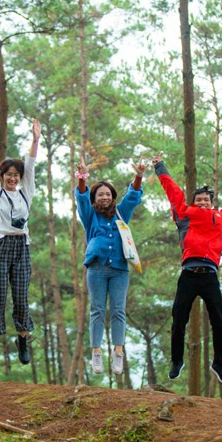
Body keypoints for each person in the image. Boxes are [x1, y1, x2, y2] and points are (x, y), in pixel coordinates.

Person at [152, 152, 222, 385]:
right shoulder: (184, 215)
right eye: (199, 200)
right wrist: (160, 167)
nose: (203, 202)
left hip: (210, 276)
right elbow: (173, 192)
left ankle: (219, 364)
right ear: (194, 203)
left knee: (219, 321)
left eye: (206, 200)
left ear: (212, 203)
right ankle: (177, 361)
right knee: (178, 318)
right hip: (189, 274)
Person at [75, 157, 147, 375]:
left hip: (119, 270)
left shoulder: (121, 213)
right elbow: (81, 198)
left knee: (118, 310)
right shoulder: (90, 215)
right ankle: (96, 352)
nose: (104, 197)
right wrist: (82, 177)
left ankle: (118, 352)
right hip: (96, 268)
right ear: (95, 197)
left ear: (112, 197)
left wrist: (139, 176)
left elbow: (133, 196)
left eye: (107, 194)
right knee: (96, 309)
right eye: (100, 194)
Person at [0, 117, 41, 368]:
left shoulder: (26, 192)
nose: (13, 178)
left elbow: (32, 164)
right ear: (2, 176)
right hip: (0, 246)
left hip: (21, 248)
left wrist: (35, 140)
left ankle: (23, 338)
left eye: (16, 175)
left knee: (21, 295)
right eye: (8, 174)